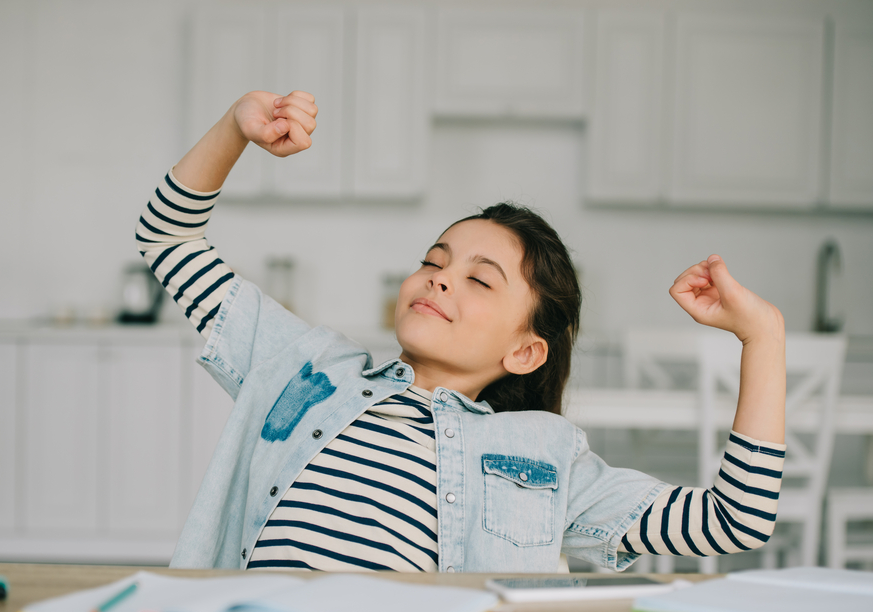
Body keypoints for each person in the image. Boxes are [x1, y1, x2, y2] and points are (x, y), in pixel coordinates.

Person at [135, 90, 786, 572]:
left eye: (480, 280)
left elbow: (733, 519)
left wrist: (763, 336)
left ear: (525, 350)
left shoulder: (547, 459)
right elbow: (165, 237)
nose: (439, 278)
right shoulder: (303, 366)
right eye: (432, 261)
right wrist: (234, 128)